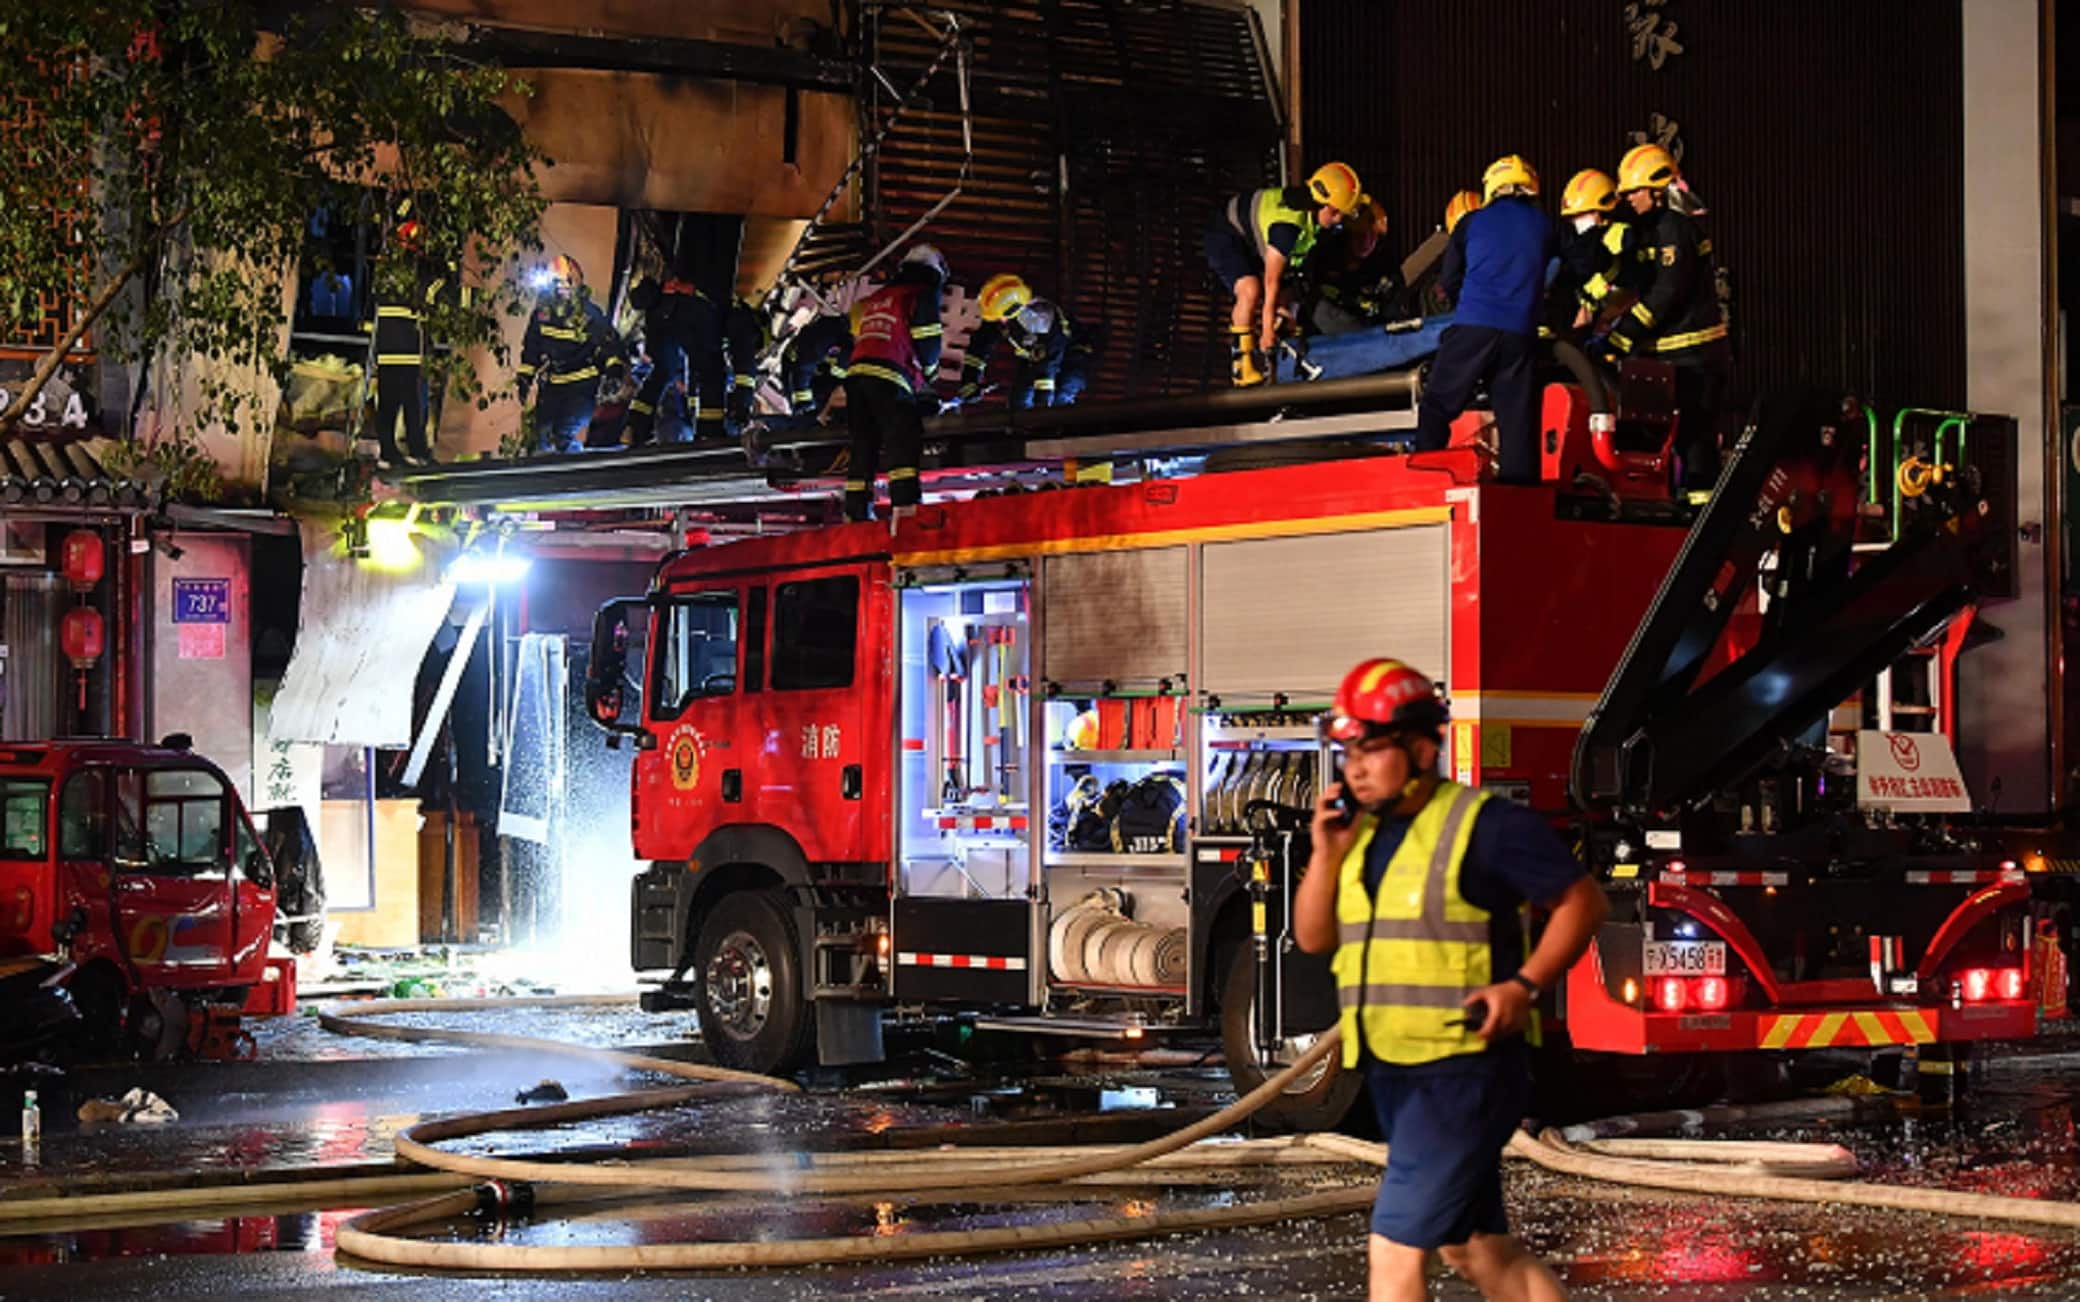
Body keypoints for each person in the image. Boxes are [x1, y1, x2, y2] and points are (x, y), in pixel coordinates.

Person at [1293, 658, 1607, 1302]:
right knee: (1477, 1248)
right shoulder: (1363, 834)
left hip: (1463, 1073)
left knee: (1394, 1249)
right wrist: (1326, 854)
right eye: (1347, 752)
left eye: (1370, 749)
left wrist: (1523, 986)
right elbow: (1315, 937)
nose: (1354, 768)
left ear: (1421, 748)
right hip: (1394, 1069)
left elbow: (1583, 902)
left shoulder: (1487, 827)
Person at [1413, 155, 1556, 483]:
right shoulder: (1545, 225)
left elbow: (1449, 280)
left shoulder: (1472, 222)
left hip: (1474, 327)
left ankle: (1425, 474)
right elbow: (1568, 265)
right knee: (1516, 422)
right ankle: (1520, 495)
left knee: (1437, 404)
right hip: (1521, 335)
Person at [1604, 143, 1732, 500]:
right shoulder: (1653, 228)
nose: (1628, 199)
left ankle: (1700, 513)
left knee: (1695, 440)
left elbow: (1667, 291)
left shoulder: (1675, 228)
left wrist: (1624, 333)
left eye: (1634, 191)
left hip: (1694, 356)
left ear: (1657, 190)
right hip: (1670, 356)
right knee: (1664, 438)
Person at [1205, 161, 1364, 386]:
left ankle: (1282, 354)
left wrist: (1282, 313)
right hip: (1226, 234)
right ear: (1323, 205)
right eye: (1337, 213)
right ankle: (1241, 363)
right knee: (1250, 290)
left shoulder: (1312, 219)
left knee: (1288, 293)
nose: (1339, 220)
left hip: (1253, 240)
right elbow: (1271, 280)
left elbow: (1290, 275)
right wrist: (1266, 330)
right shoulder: (1287, 228)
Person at [842, 244, 947, 522]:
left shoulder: (881, 296)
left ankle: (856, 508)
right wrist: (930, 376)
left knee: (864, 442)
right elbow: (927, 337)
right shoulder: (922, 293)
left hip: (856, 376)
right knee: (902, 438)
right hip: (889, 374)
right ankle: (905, 506)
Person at [517, 254, 625, 455]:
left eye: (563, 284)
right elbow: (532, 347)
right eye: (555, 284)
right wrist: (525, 376)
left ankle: (577, 471)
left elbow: (611, 345)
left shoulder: (588, 315)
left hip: (581, 386)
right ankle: (547, 473)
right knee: (541, 437)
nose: (559, 289)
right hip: (553, 385)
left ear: (574, 283)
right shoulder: (542, 315)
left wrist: (614, 372)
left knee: (563, 434)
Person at [960, 274, 1094, 409]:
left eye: (1002, 319)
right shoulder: (1001, 312)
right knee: (1018, 404)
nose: (1001, 322)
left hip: (1071, 355)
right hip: (1036, 357)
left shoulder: (1043, 321)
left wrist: (1042, 407)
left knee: (1059, 399)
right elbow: (980, 346)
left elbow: (1047, 368)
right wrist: (969, 381)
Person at [367, 213, 437, 470]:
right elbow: (431, 299)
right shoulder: (418, 269)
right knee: (413, 406)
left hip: (387, 350)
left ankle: (387, 453)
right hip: (410, 349)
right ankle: (417, 452)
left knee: (387, 405)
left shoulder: (386, 270)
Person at [625, 274, 723, 445]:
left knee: (661, 373)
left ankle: (635, 424)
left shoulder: (655, 310)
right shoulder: (696, 305)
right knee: (709, 371)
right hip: (691, 325)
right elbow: (705, 344)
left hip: (667, 324)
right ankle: (710, 431)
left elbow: (657, 354)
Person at [779, 308, 853, 423]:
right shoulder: (825, 337)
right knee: (804, 414)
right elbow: (802, 370)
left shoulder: (851, 347)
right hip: (796, 365)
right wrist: (804, 405)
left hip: (819, 372)